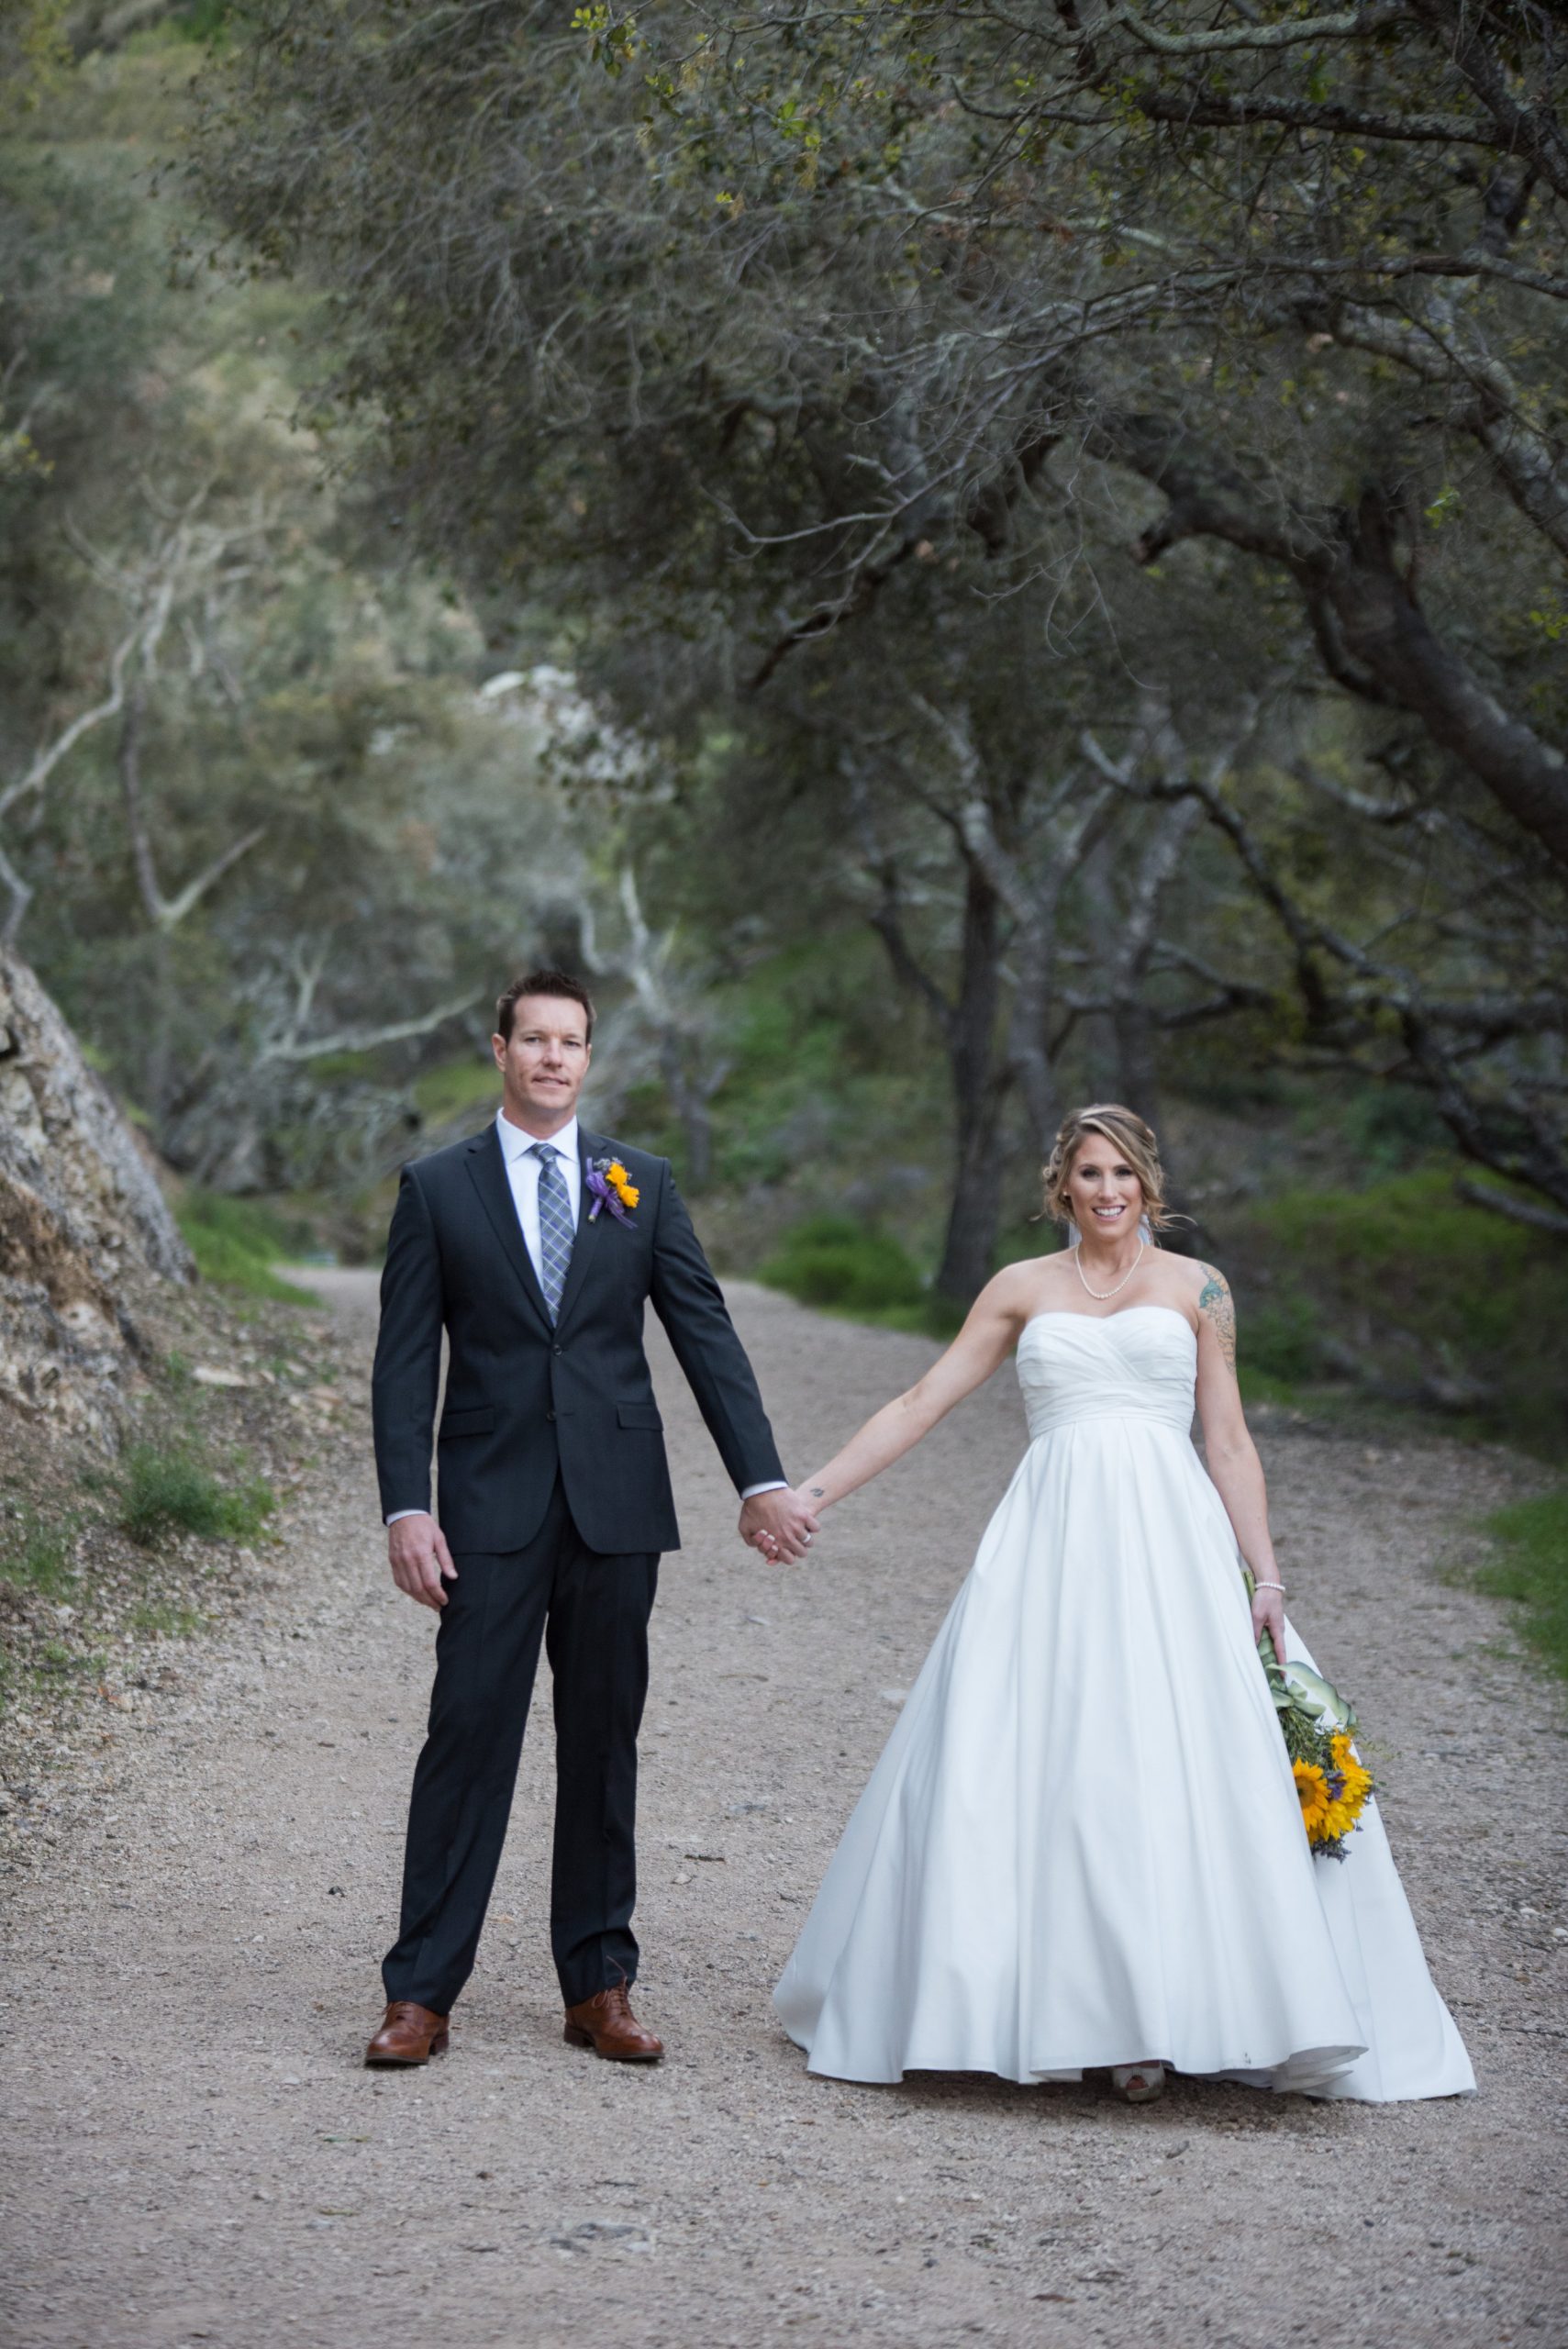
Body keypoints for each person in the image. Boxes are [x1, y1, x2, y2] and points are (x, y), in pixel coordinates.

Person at [766, 1104, 1473, 2104]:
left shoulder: (1198, 1288)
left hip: (1167, 1547)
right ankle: (1053, 2011)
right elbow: (921, 1400)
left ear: (1148, 1185)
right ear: (1063, 1187)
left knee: (1166, 1762)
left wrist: (1263, 1575)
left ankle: (1159, 2018)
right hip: (1049, 1542)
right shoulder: (1019, 1289)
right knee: (1042, 1763)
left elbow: (1225, 1439)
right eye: (1089, 1174)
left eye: (1123, 1174)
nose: (1107, 1191)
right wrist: (810, 1492)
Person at [364, 968, 817, 2067]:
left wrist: (758, 1478)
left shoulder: (640, 1184)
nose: (553, 1058)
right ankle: (420, 1992)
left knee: (601, 1743)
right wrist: (407, 1507)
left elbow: (704, 1336)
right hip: (486, 1508)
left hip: (616, 1508)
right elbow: (402, 1364)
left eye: (571, 1042)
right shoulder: (437, 1186)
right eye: (534, 1040)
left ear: (586, 1056)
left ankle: (599, 1984)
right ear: (499, 1048)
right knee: (467, 1737)